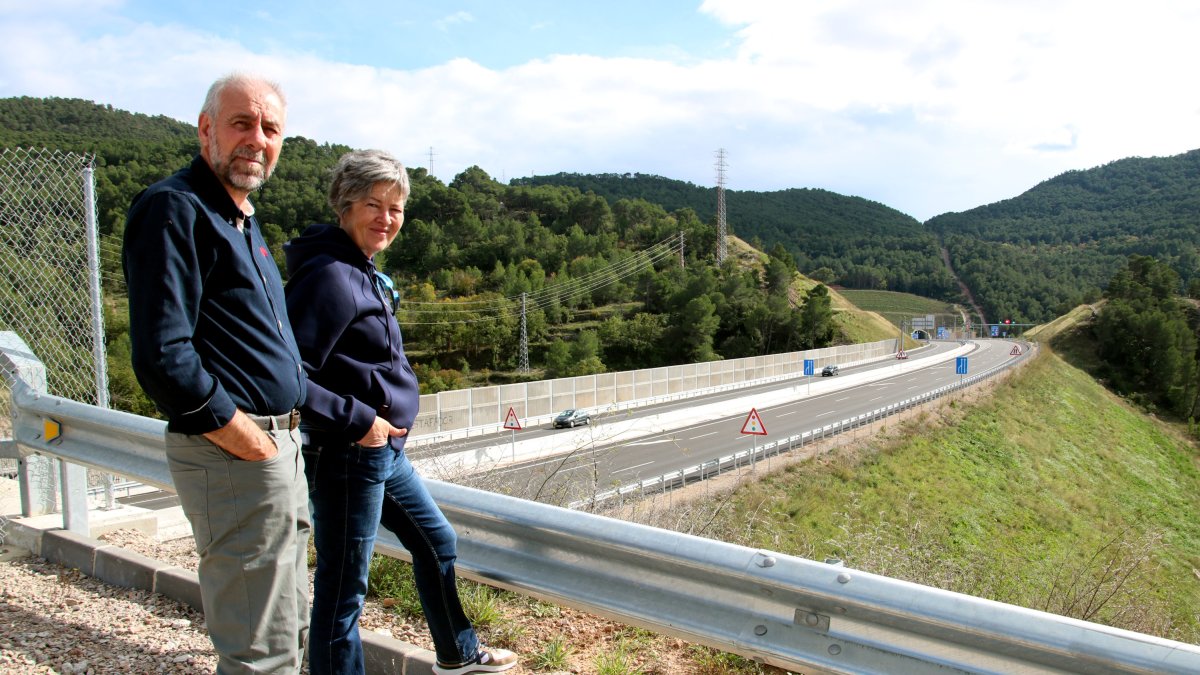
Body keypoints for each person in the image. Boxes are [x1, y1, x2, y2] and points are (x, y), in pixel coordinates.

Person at [284, 149, 517, 675]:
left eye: (396, 208)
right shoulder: (329, 276)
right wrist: (357, 418)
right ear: (345, 206)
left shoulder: (358, 268)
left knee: (437, 542)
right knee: (343, 595)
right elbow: (287, 376)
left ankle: (457, 653)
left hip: (381, 454)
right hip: (348, 452)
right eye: (374, 204)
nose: (386, 218)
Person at [122, 73, 310, 674]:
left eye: (271, 128)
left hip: (276, 447)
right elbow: (163, 355)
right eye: (242, 123)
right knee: (260, 648)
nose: (257, 139)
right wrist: (249, 440)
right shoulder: (175, 208)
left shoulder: (242, 218)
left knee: (287, 623)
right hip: (237, 452)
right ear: (206, 130)